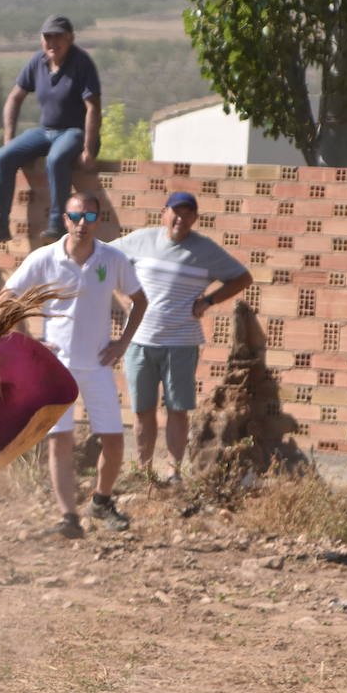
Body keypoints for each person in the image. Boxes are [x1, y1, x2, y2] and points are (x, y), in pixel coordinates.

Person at [4, 192, 146, 538]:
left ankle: (101, 500)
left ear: (99, 220)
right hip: (56, 367)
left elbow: (140, 300)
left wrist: (123, 343)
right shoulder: (45, 258)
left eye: (91, 218)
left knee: (113, 441)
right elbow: (8, 297)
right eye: (76, 217)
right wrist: (28, 341)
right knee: (59, 441)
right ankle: (68, 517)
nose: (83, 224)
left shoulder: (112, 259)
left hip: (97, 363)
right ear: (65, 219)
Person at [108, 191, 252, 482]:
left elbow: (242, 278)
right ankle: (144, 471)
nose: (180, 218)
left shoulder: (205, 250)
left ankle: (174, 472)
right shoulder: (141, 240)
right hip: (139, 341)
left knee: (177, 410)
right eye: (175, 211)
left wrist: (208, 301)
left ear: (195, 218)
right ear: (164, 213)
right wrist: (121, 298)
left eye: (188, 214)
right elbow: (104, 260)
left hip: (182, 343)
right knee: (142, 411)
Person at [0, 14, 100, 245]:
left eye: (58, 37)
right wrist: (9, 138)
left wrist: (89, 149)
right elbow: (14, 98)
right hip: (45, 131)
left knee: (56, 159)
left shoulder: (82, 63)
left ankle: (57, 223)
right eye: (47, 37)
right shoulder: (37, 62)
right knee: (3, 157)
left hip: (74, 131)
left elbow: (93, 107)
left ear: (70, 38)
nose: (52, 43)